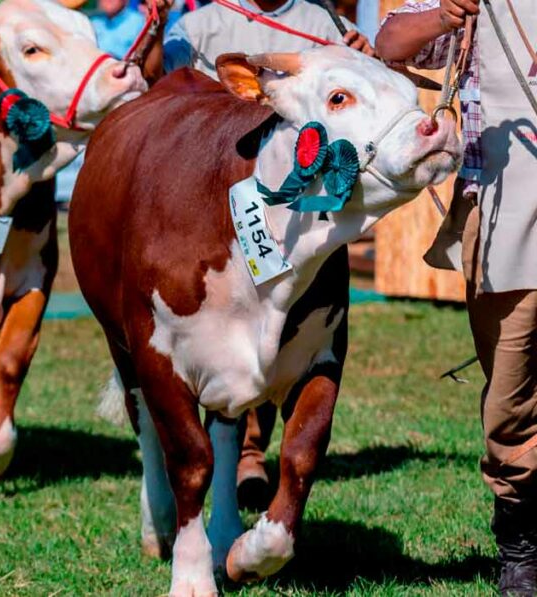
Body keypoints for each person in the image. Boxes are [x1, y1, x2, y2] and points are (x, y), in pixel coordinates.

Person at [161, 0, 373, 512]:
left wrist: (362, 58)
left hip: (303, 214)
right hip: (217, 216)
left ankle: (255, 451)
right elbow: (175, 108)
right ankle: (240, 452)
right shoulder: (196, 27)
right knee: (233, 331)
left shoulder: (323, 23)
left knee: (291, 329)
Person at [377, 2, 536, 595]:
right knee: (511, 392)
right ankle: (522, 545)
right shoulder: (477, 8)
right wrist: (446, 15)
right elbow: (392, 41)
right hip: (501, 213)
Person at [163, 0, 373, 76]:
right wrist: (158, 22)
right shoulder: (195, 26)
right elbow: (154, 80)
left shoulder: (328, 25)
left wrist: (367, 62)